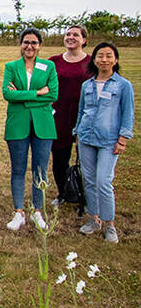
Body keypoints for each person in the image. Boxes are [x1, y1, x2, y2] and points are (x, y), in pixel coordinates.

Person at [74, 42, 134, 243]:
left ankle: (110, 224)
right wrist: (77, 132)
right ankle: (94, 219)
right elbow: (81, 110)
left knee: (103, 181)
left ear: (115, 60)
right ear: (94, 59)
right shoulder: (87, 85)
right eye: (100, 56)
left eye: (109, 56)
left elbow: (128, 113)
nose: (104, 60)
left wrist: (123, 139)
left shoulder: (123, 85)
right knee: (89, 180)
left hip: (109, 140)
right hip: (86, 138)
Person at [3, 28, 58, 231]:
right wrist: (37, 93)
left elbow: (52, 94)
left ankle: (38, 211)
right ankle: (18, 212)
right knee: (18, 169)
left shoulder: (48, 66)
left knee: (40, 170)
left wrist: (23, 96)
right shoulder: (12, 66)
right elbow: (8, 94)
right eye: (26, 42)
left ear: (40, 45)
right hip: (18, 124)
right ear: (21, 44)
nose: (30, 46)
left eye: (34, 42)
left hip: (43, 124)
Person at [49, 25, 91, 206]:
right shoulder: (54, 62)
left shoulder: (92, 62)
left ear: (84, 40)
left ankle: (86, 196)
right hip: (60, 116)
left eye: (76, 34)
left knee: (87, 161)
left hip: (86, 116)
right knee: (60, 159)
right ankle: (64, 193)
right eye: (68, 34)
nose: (71, 37)